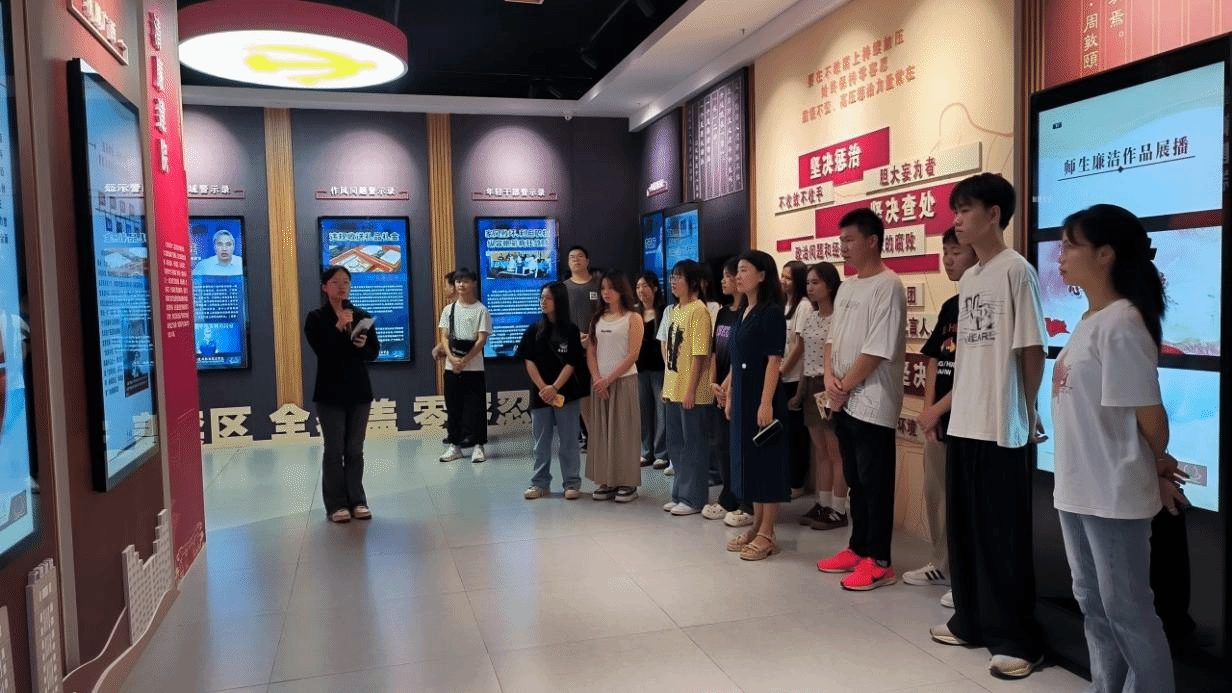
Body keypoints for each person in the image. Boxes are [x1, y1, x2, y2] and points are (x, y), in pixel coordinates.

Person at [1051, 204, 1184, 693]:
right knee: (1093, 606)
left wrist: (1159, 468)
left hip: (1112, 493)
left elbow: (1152, 424)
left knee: (1128, 611)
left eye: (1071, 246)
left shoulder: (1123, 321)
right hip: (1076, 488)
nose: (1061, 256)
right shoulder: (1090, 318)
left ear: (1105, 254)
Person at [927, 173, 1047, 680]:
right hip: (966, 423)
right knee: (967, 529)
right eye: (955, 211)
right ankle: (971, 621)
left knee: (1002, 536)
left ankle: (1017, 639)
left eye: (965, 210)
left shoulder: (1016, 270)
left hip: (1002, 425)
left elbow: (1032, 350)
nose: (957, 220)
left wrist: (1026, 409)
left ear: (994, 214)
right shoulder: (972, 278)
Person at [816, 208, 906, 591]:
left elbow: (878, 349)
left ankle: (880, 560)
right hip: (844, 399)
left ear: (872, 241)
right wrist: (829, 379)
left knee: (875, 483)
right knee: (855, 480)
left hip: (874, 402)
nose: (843, 247)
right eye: (841, 240)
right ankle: (858, 548)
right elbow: (831, 340)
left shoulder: (889, 285)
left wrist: (842, 385)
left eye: (850, 239)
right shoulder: (848, 287)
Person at [910, 228, 979, 595]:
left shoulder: (985, 304)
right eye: (945, 252)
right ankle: (942, 564)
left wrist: (936, 409)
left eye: (957, 252)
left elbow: (977, 371)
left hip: (971, 419)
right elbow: (935, 359)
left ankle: (967, 579)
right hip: (940, 419)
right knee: (937, 496)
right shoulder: (951, 306)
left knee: (967, 502)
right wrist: (929, 412)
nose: (948, 260)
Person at [718, 250, 787, 559]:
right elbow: (737, 359)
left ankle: (768, 533)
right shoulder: (744, 310)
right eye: (738, 271)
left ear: (762, 275)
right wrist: (730, 393)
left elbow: (774, 361)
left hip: (762, 395)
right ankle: (757, 525)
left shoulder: (771, 312)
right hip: (744, 395)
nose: (738, 276)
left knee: (766, 463)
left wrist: (766, 402)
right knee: (749, 462)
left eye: (744, 270)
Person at [304, 266, 380, 523]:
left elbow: (374, 352)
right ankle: (336, 504)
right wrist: (337, 328)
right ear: (325, 287)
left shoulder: (361, 316)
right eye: (336, 282)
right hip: (330, 392)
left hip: (359, 391)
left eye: (346, 282)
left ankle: (357, 500)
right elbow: (323, 351)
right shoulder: (316, 318)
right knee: (334, 450)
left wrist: (363, 346)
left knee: (355, 449)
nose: (342, 287)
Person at [517, 283, 588, 500]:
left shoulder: (571, 330)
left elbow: (572, 362)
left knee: (569, 441)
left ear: (559, 300)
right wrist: (543, 387)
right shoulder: (534, 330)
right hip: (541, 396)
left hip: (566, 394)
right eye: (541, 298)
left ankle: (571, 483)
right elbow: (528, 360)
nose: (543, 302)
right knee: (541, 442)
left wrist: (554, 387)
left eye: (548, 298)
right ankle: (539, 483)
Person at [792, 262, 848, 531]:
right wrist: (800, 392)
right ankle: (823, 503)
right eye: (808, 283)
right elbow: (805, 357)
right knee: (820, 449)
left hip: (829, 387)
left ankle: (839, 508)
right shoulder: (811, 317)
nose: (810, 288)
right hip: (811, 385)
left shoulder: (839, 318)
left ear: (830, 284)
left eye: (816, 282)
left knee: (835, 449)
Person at [586, 271, 644, 502]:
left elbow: (633, 354)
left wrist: (608, 379)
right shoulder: (597, 318)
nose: (606, 292)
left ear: (621, 289)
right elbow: (591, 351)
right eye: (603, 288)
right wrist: (597, 378)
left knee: (624, 432)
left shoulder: (633, 317)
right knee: (601, 432)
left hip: (624, 381)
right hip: (600, 384)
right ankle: (606, 480)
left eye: (611, 287)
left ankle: (627, 482)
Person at [705, 258, 754, 527]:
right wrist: (714, 383)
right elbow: (715, 351)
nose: (723, 281)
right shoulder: (723, 313)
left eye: (728, 275)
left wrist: (728, 385)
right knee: (722, 444)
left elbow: (743, 354)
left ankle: (745, 500)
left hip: (738, 387)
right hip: (720, 389)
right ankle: (728, 495)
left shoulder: (748, 313)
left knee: (740, 446)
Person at [662, 260, 713, 516]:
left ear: (692, 282)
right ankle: (680, 494)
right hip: (673, 387)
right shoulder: (675, 310)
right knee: (676, 446)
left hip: (693, 391)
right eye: (672, 277)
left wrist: (691, 389)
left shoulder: (699, 311)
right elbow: (671, 352)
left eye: (678, 277)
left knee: (693, 446)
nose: (673, 281)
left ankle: (694, 499)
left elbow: (700, 354)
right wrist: (667, 386)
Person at [437, 268, 492, 464]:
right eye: (458, 281)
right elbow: (444, 337)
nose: (461, 284)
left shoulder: (481, 310)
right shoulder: (448, 309)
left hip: (474, 368)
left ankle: (478, 446)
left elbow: (481, 339)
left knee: (476, 407)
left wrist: (465, 360)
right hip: (451, 368)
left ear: (474, 284)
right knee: (453, 407)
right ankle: (455, 445)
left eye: (466, 281)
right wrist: (452, 359)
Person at [779, 260, 813, 499]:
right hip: (782, 375)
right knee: (784, 433)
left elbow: (799, 346)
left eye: (788, 277)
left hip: (793, 377)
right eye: (782, 276)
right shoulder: (783, 304)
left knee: (796, 435)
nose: (783, 281)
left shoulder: (804, 306)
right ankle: (786, 478)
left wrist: (781, 371)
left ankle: (797, 482)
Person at [634, 272, 668, 468]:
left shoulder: (664, 311)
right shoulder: (634, 312)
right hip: (640, 369)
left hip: (659, 368)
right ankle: (646, 451)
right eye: (638, 286)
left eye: (645, 286)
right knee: (643, 412)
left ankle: (662, 453)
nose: (641, 290)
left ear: (655, 287)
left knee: (662, 412)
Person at [431, 271, 456, 362]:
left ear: (453, 287)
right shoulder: (448, 310)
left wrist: (437, 348)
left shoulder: (449, 310)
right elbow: (447, 336)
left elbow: (450, 337)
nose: (445, 289)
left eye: (446, 286)